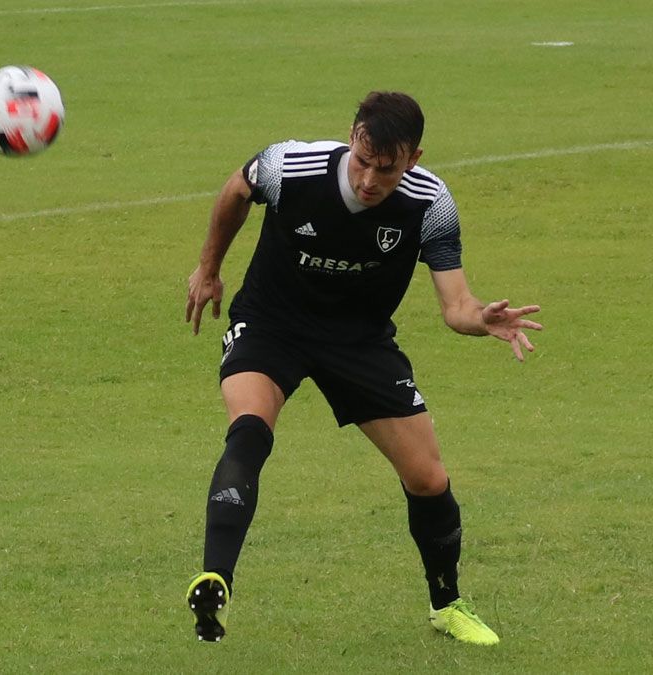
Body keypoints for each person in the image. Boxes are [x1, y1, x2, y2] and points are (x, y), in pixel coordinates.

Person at [183, 92, 541, 644]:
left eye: (388, 168)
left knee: (428, 477)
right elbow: (236, 189)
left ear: (413, 159)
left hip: (359, 341)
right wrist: (209, 268)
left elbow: (456, 306)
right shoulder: (289, 166)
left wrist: (481, 319)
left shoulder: (430, 204)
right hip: (272, 323)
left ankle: (447, 605)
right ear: (352, 136)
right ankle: (215, 581)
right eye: (363, 161)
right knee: (250, 428)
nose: (371, 178)